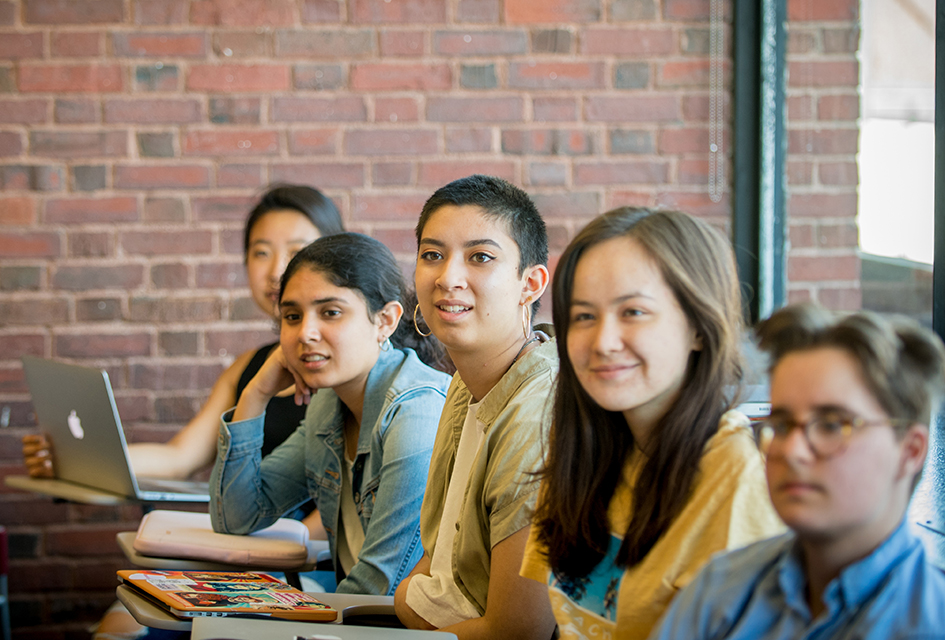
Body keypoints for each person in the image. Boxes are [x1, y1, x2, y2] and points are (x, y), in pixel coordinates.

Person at [521, 207, 785, 639]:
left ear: (699, 328)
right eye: (584, 316)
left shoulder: (736, 475)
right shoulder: (587, 448)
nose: (603, 342)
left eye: (634, 313)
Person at [648, 303, 945, 640]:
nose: (791, 450)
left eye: (830, 424)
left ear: (910, 451)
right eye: (781, 424)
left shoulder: (938, 627)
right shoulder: (719, 590)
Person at [22, 184, 344, 481]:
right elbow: (179, 457)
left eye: (296, 250)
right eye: (261, 252)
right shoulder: (246, 367)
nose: (276, 271)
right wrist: (79, 458)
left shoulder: (349, 363)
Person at [210, 232, 452, 595]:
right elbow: (236, 516)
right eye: (292, 316)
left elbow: (380, 587)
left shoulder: (416, 412)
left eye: (331, 312)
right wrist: (256, 393)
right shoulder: (328, 405)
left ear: (385, 320)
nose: (305, 333)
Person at [393, 175, 557, 640]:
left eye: (480, 257)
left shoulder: (537, 413)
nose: (448, 278)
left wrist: (410, 604)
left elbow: (517, 631)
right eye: (432, 255)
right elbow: (432, 566)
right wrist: (413, 600)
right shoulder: (466, 386)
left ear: (530, 283)